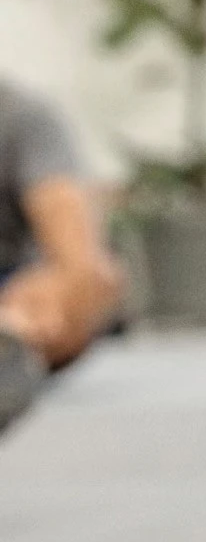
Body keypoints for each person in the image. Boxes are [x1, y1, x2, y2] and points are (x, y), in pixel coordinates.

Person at [0, 76, 124, 435]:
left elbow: (79, 259)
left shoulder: (21, 116)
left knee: (99, 280)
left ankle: (13, 352)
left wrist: (61, 294)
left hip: (14, 297)